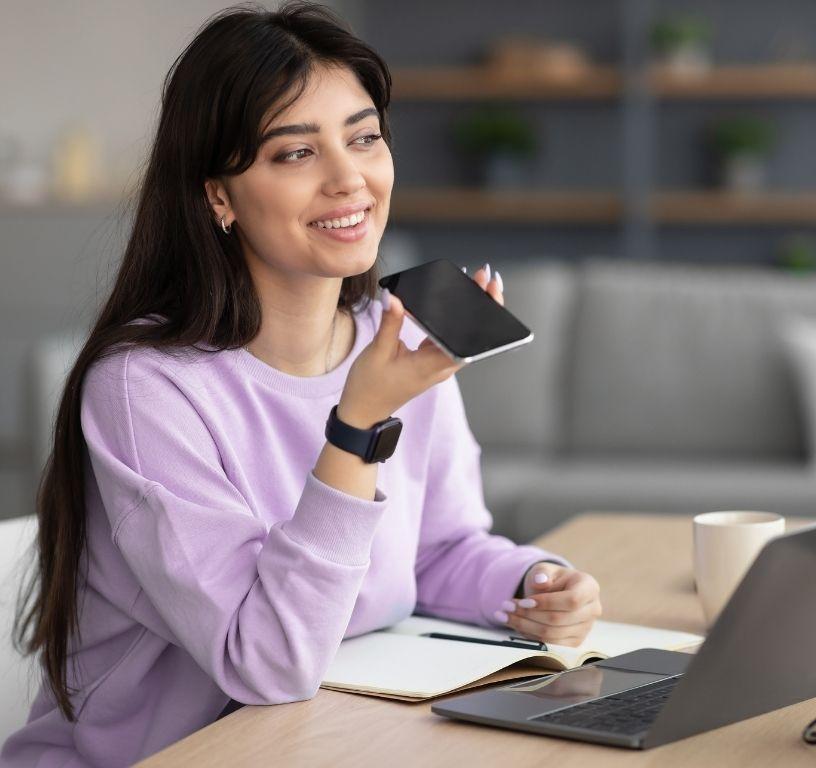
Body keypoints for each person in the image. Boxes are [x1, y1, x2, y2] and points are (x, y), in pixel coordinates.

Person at [3, 3, 602, 765]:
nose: (348, 178)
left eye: (364, 138)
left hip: (327, 740)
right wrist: (358, 425)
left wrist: (533, 583)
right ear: (218, 194)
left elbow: (437, 549)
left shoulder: (401, 330)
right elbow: (268, 660)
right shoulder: (144, 390)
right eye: (295, 154)